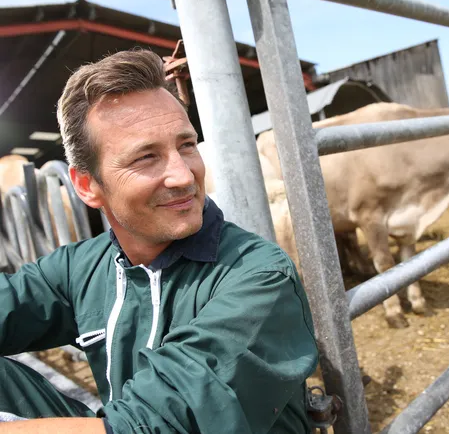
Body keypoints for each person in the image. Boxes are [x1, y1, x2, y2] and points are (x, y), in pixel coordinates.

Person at [0, 49, 318, 433]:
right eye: (147, 157)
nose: (184, 175)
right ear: (87, 185)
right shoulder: (80, 267)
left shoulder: (258, 276)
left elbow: (153, 427)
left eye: (186, 145)